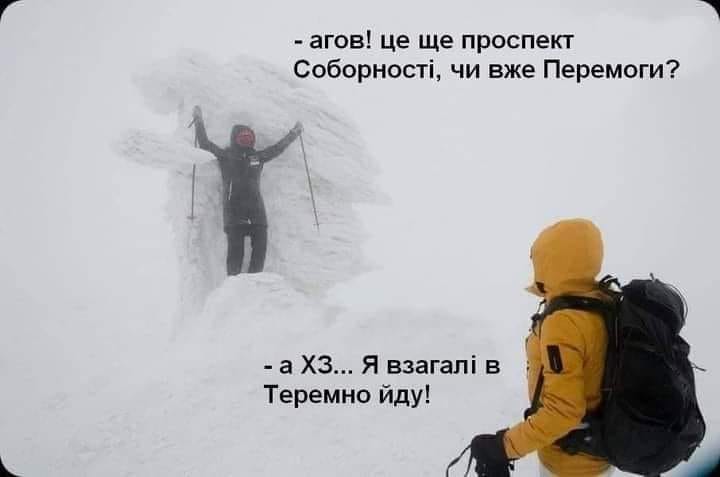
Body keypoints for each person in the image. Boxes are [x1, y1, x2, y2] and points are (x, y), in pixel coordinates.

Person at [470, 218, 612, 477]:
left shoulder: (564, 322)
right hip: (597, 454)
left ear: (552, 261)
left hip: (569, 464)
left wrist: (503, 447)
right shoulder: (601, 302)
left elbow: (563, 412)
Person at [191, 105, 302, 275]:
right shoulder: (226, 156)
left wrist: (294, 133)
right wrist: (198, 120)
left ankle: (253, 285)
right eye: (242, 137)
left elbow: (277, 148)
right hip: (234, 215)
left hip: (257, 214)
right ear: (234, 138)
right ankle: (233, 287)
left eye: (249, 137)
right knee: (235, 259)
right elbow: (205, 144)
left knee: (259, 256)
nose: (246, 140)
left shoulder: (257, 157)